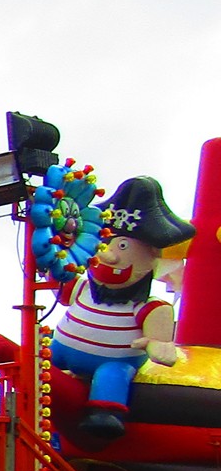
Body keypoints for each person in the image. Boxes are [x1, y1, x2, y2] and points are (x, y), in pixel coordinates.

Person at [51, 176, 196, 438]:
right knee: (42, 357)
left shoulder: (148, 308)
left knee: (112, 373)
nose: (108, 255)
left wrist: (156, 344)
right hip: (61, 350)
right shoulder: (84, 288)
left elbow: (158, 339)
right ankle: (25, 382)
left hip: (114, 361)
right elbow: (59, 284)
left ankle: (105, 413)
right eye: (105, 244)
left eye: (122, 246)